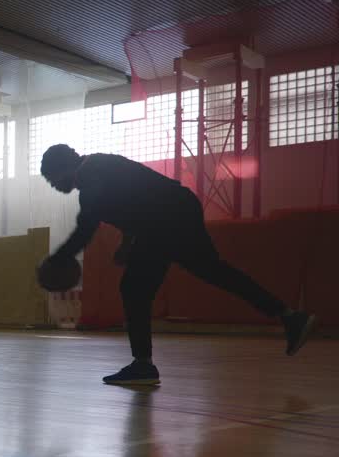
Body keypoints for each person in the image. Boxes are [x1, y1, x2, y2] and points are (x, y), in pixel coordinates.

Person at [39, 144, 316, 386]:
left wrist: (59, 257)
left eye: (52, 179)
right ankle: (289, 316)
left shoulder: (90, 175)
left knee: (134, 288)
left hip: (165, 218)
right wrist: (127, 242)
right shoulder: (99, 167)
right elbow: (135, 198)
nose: (53, 186)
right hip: (178, 208)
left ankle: (143, 365)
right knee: (215, 271)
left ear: (63, 168)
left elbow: (86, 227)